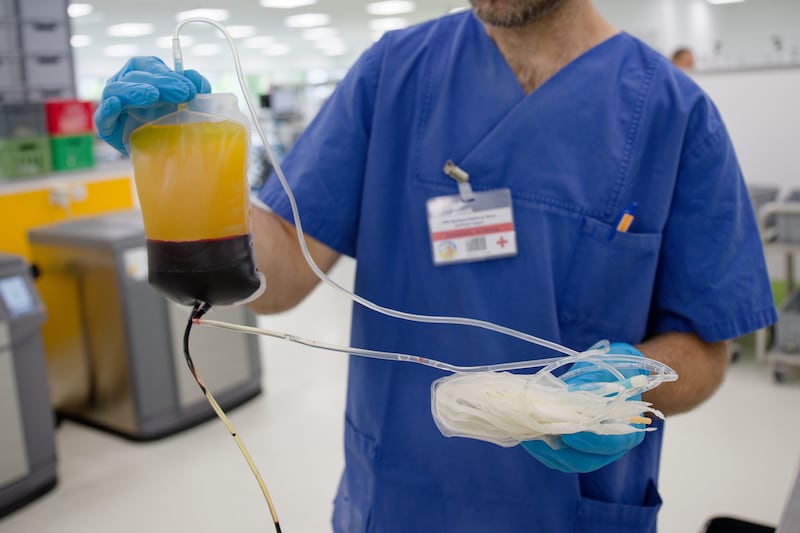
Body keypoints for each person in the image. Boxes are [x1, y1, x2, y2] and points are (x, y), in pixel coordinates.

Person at [94, 1, 777, 531]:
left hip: (568, 509)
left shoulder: (674, 115)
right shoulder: (393, 75)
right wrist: (186, 169)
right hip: (400, 499)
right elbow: (279, 278)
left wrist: (622, 388)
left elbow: (706, 350)